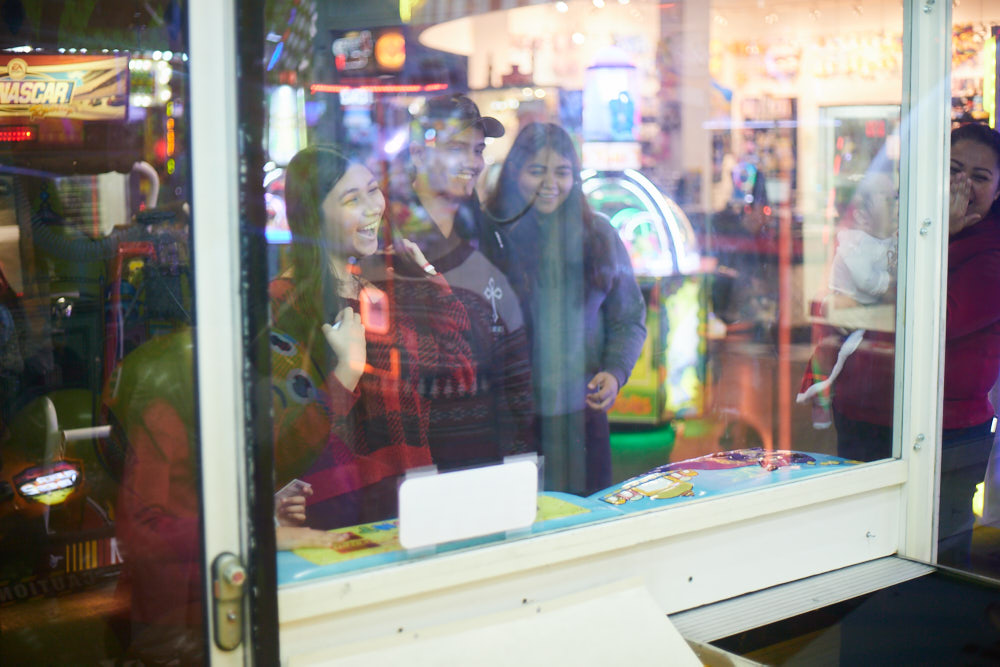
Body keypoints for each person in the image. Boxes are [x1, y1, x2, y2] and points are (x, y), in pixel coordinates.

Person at [270, 145, 474, 528]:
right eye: (352, 199)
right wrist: (345, 374)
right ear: (314, 216)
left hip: (410, 501)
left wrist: (430, 279)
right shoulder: (283, 303)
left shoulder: (377, 291)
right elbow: (286, 443)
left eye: (372, 190)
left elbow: (460, 375)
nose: (373, 208)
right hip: (339, 512)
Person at [484, 122, 646, 495]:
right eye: (536, 170)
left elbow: (629, 318)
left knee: (586, 520)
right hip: (508, 421)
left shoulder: (599, 235)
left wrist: (615, 371)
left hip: (582, 419)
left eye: (562, 171)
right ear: (514, 172)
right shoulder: (493, 237)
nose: (550, 183)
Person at [380, 94, 536, 470]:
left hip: (485, 449)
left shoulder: (490, 237)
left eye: (478, 150)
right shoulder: (385, 237)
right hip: (409, 455)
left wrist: (520, 446)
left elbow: (515, 352)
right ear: (419, 154)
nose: (472, 162)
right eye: (456, 148)